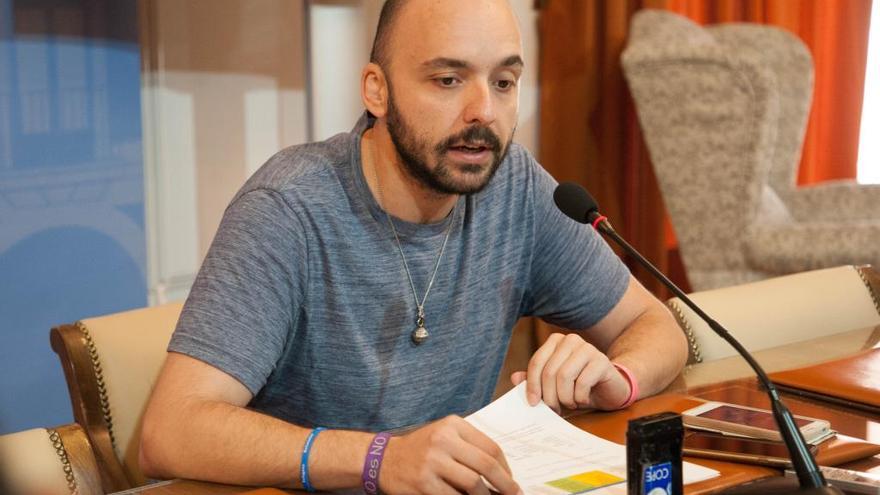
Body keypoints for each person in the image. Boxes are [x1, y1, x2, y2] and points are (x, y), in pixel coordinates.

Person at [139, 0, 688, 493]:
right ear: (377, 89)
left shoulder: (513, 187)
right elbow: (170, 431)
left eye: (503, 82)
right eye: (448, 80)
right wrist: (378, 459)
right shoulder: (288, 208)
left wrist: (620, 378)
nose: (484, 112)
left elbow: (658, 327)